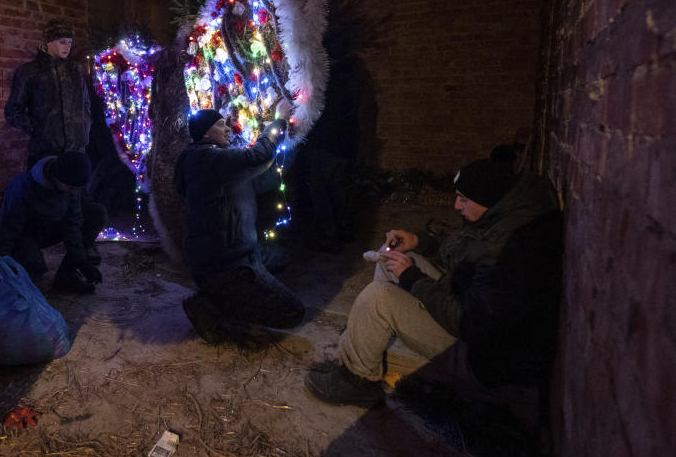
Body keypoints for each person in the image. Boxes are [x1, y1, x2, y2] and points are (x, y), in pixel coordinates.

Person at [305, 157, 561, 407]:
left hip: (484, 359)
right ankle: (360, 345)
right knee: (397, 258)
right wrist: (418, 241)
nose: (457, 206)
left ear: (487, 200)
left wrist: (413, 279)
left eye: (464, 199)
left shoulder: (507, 253)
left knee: (378, 297)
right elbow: (462, 252)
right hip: (472, 311)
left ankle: (358, 381)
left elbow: (467, 322)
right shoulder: (505, 217)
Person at [174, 107, 305, 345]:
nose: (228, 129)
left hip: (240, 251)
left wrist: (290, 147)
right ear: (205, 133)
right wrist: (278, 121)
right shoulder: (206, 158)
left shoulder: (222, 163)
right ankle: (211, 305)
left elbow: (263, 178)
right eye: (221, 124)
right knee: (293, 312)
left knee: (281, 257)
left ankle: (231, 295)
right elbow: (258, 157)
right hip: (223, 262)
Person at [4, 19, 102, 264]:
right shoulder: (29, 72)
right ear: (48, 42)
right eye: (61, 42)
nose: (66, 47)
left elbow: (86, 104)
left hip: (75, 150)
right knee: (42, 207)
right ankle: (31, 251)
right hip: (45, 153)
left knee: (78, 205)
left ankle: (80, 251)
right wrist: (37, 128)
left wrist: (84, 129)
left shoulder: (76, 71)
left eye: (69, 42)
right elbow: (13, 110)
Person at [0, 152, 107, 294]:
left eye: (77, 189)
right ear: (56, 178)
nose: (74, 193)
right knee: (34, 266)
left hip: (51, 228)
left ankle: (66, 278)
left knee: (96, 213)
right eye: (70, 188)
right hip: (25, 234)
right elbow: (4, 232)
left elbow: (72, 224)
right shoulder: (23, 187)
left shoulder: (71, 189)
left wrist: (81, 261)